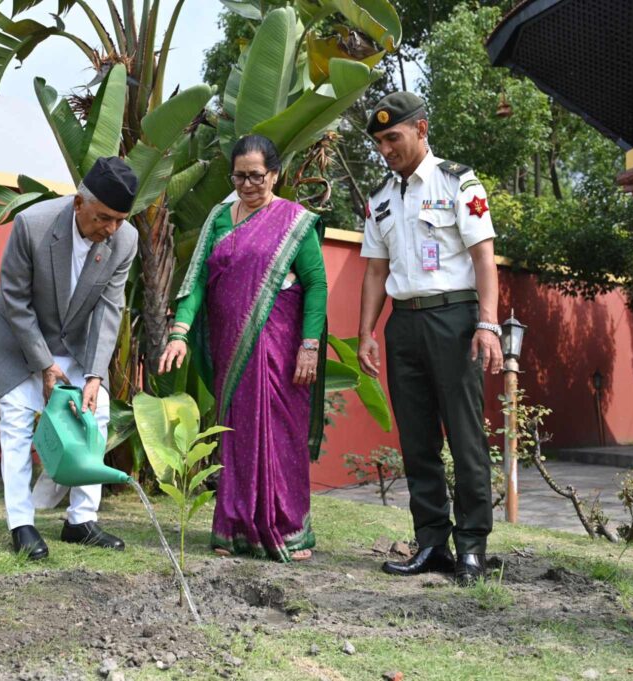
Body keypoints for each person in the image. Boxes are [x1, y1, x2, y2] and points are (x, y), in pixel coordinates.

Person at [158, 134, 328, 563]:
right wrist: (179, 332)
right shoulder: (219, 218)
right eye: (240, 176)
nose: (249, 184)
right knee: (236, 433)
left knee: (278, 434)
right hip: (231, 347)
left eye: (257, 176)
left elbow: (316, 285)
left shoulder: (293, 221)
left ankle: (287, 528)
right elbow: (196, 280)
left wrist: (309, 346)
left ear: (274, 174)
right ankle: (232, 528)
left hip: (281, 348)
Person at [357, 92, 503, 586]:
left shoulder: (458, 182)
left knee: (465, 437)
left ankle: (472, 548)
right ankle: (432, 543)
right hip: (404, 324)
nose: (385, 149)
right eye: (378, 142)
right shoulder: (379, 198)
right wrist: (366, 334)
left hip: (454, 319)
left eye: (392, 137)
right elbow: (376, 272)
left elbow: (484, 256)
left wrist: (488, 323)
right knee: (417, 439)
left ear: (421, 129)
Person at [0, 156, 138, 560]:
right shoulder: (32, 225)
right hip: (20, 344)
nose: (110, 229)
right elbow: (15, 301)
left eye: (120, 219)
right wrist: (43, 365)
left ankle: (80, 521)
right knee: (17, 423)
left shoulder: (125, 240)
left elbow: (109, 310)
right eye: (104, 217)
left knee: (97, 411)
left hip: (74, 347)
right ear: (78, 203)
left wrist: (93, 375)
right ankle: (22, 524)